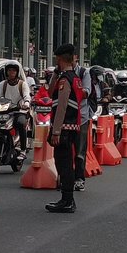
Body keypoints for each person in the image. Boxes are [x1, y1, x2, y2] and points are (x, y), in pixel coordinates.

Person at [45, 43, 85, 214]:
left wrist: (56, 131)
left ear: (60, 59)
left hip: (64, 127)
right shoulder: (75, 77)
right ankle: (66, 199)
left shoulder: (65, 79)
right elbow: (50, 92)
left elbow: (61, 106)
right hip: (72, 126)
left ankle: (67, 200)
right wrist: (55, 73)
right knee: (66, 162)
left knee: (64, 164)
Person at [0, 61, 30, 162]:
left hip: (19, 111)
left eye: (13, 71)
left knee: (20, 123)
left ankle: (23, 150)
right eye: (9, 70)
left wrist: (26, 103)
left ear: (17, 72)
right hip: (6, 111)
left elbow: (27, 96)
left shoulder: (22, 84)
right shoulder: (3, 84)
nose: (11, 73)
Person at [73, 56, 91, 192]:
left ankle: (79, 179)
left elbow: (86, 92)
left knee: (79, 150)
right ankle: (65, 178)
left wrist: (72, 89)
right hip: (64, 118)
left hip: (81, 117)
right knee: (63, 151)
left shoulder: (83, 73)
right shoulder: (59, 73)